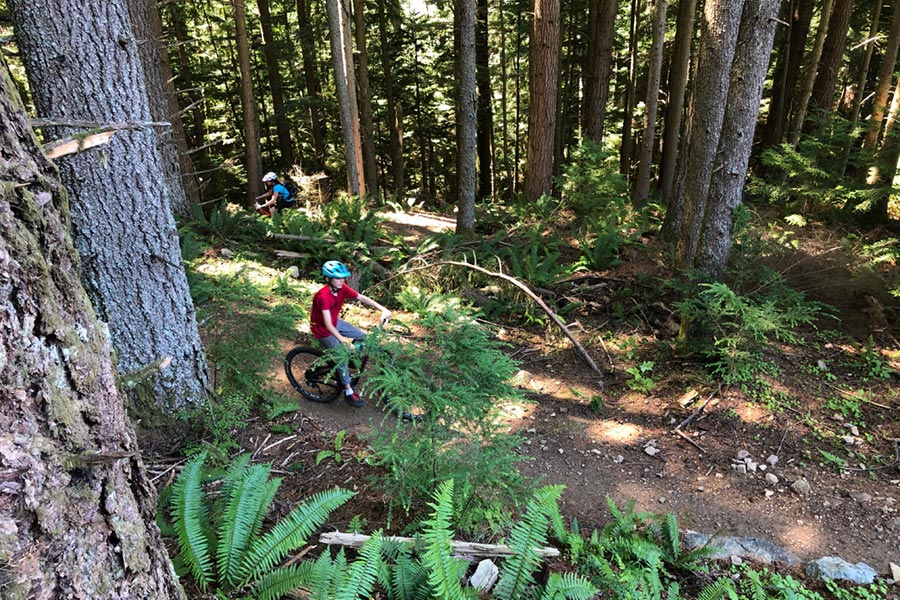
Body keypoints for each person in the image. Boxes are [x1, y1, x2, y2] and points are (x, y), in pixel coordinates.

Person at [310, 260, 391, 407]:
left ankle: (352, 358)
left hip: (335, 322)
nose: (342, 281)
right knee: (342, 359)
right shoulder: (323, 296)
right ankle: (348, 390)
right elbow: (327, 325)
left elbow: (361, 297)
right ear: (328, 279)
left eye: (343, 278)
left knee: (363, 337)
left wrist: (382, 308)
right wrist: (343, 340)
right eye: (338, 278)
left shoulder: (341, 289)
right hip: (323, 330)